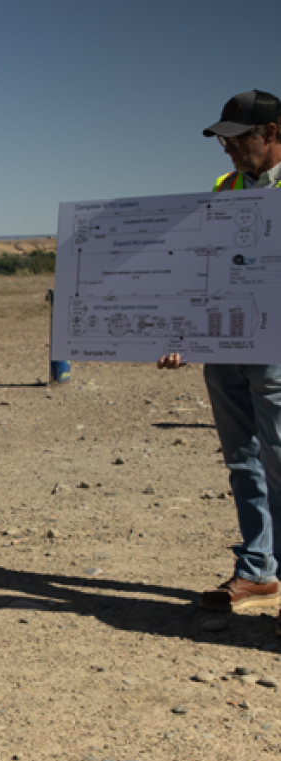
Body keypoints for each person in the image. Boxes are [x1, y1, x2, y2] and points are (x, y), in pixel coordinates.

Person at [158, 90, 281, 624]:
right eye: (223, 140)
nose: (227, 150)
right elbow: (200, 272)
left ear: (272, 134)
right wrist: (181, 330)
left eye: (238, 138)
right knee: (243, 462)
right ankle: (258, 570)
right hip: (225, 347)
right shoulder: (224, 190)